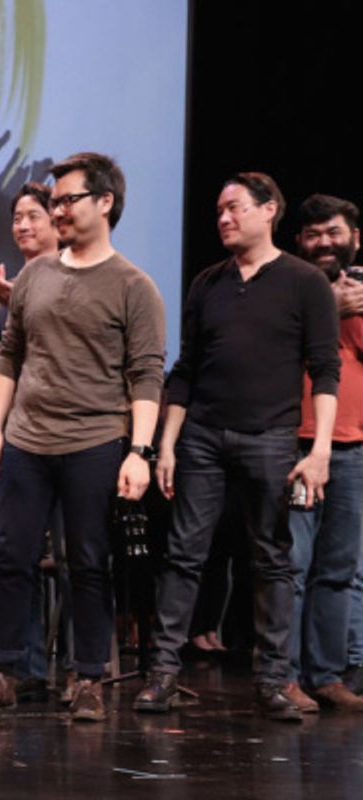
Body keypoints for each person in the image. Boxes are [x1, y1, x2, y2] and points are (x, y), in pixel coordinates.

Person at [0, 152, 165, 722]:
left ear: (104, 202)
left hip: (95, 441)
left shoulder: (134, 286)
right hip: (28, 439)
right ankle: (3, 672)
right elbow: (10, 357)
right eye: (53, 201)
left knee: (88, 564)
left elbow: (146, 375)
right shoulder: (35, 275)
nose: (56, 210)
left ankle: (88, 680)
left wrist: (140, 452)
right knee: (12, 558)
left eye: (67, 199)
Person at [135, 173, 340, 722]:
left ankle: (274, 680)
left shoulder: (304, 282)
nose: (223, 218)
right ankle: (163, 675)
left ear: (268, 210)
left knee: (272, 559)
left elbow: (325, 370)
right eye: (218, 211)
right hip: (201, 436)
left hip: (271, 438)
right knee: (183, 555)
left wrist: (318, 449)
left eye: (234, 208)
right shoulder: (208, 282)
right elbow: (185, 371)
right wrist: (169, 445)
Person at [0, 182, 72, 701]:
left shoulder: (79, 277)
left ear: (59, 224)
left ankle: (81, 670)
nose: (24, 225)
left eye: (35, 216)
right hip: (19, 437)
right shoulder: (15, 284)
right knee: (17, 555)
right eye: (17, 218)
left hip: (75, 438)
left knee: (78, 557)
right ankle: (22, 669)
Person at [285, 194, 363, 712]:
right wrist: (327, 311)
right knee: (291, 566)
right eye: (313, 235)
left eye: (332, 232)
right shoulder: (286, 287)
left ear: (354, 236)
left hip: (353, 445)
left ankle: (328, 675)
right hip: (295, 442)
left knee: (338, 568)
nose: (323, 243)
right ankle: (284, 676)